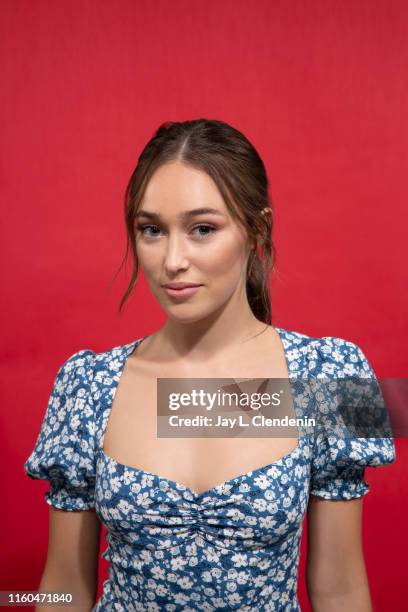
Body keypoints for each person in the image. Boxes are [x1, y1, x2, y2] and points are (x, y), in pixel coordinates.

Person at [24, 119, 396, 611]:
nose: (172, 259)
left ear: (257, 227)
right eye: (151, 230)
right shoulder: (89, 385)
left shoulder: (329, 375)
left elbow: (341, 590)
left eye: (203, 229)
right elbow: (64, 589)